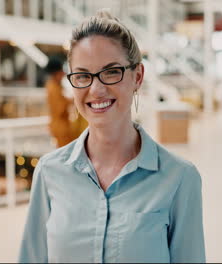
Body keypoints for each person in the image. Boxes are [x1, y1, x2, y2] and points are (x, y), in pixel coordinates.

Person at [19, 10, 205, 263]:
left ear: (137, 76)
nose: (96, 89)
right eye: (83, 75)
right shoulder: (50, 172)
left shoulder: (179, 178)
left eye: (111, 72)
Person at [44, 56, 75, 147]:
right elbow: (60, 109)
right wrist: (72, 101)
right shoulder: (53, 88)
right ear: (56, 73)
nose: (63, 74)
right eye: (61, 72)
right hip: (61, 127)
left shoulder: (55, 85)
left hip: (60, 125)